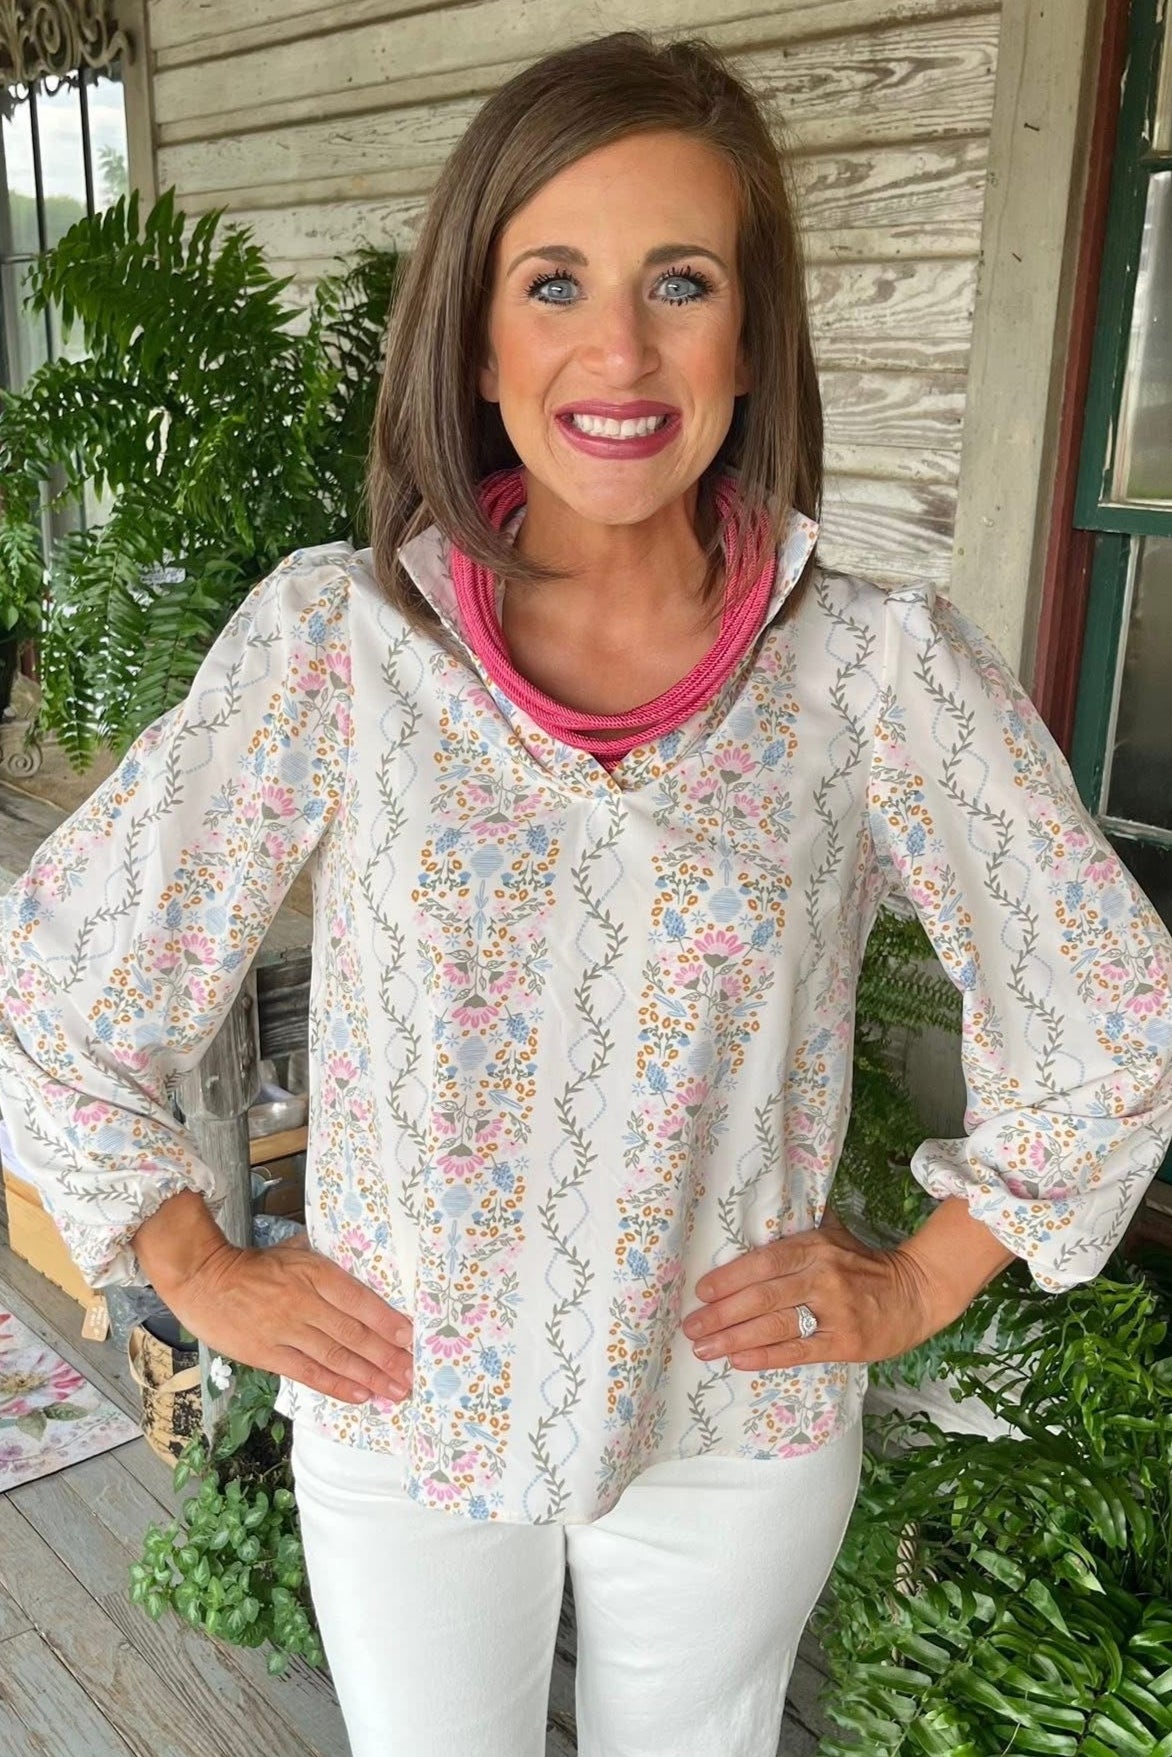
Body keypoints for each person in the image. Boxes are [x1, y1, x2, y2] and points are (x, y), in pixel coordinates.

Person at [1, 29, 1170, 1757]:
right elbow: (63, 972)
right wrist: (196, 1261)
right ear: (478, 337)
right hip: (405, 1412)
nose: (618, 349)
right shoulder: (342, 649)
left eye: (680, 281)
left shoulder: (869, 673)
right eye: (554, 281)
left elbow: (1110, 1000)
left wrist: (922, 1280)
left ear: (753, 336)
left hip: (737, 1414)